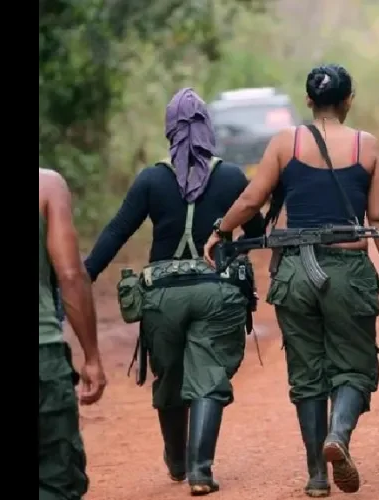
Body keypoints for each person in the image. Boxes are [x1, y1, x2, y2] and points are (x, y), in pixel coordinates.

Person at [203, 64, 379, 497]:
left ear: (309, 101)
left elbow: (253, 198)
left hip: (294, 270)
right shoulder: (367, 146)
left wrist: (220, 232)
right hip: (348, 271)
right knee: (353, 365)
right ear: (349, 100)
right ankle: (340, 436)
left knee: (306, 373)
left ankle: (316, 477)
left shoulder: (284, 143)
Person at [83, 88, 265, 496]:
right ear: (207, 127)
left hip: (162, 299)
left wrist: (83, 276)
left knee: (168, 377)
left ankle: (177, 460)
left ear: (170, 130)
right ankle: (201, 469)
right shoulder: (233, 177)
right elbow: (256, 235)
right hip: (217, 293)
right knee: (209, 376)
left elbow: (116, 231)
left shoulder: (152, 180)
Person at [39, 168, 107, 500]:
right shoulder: (46, 185)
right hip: (42, 355)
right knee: (55, 477)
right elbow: (69, 273)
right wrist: (91, 357)